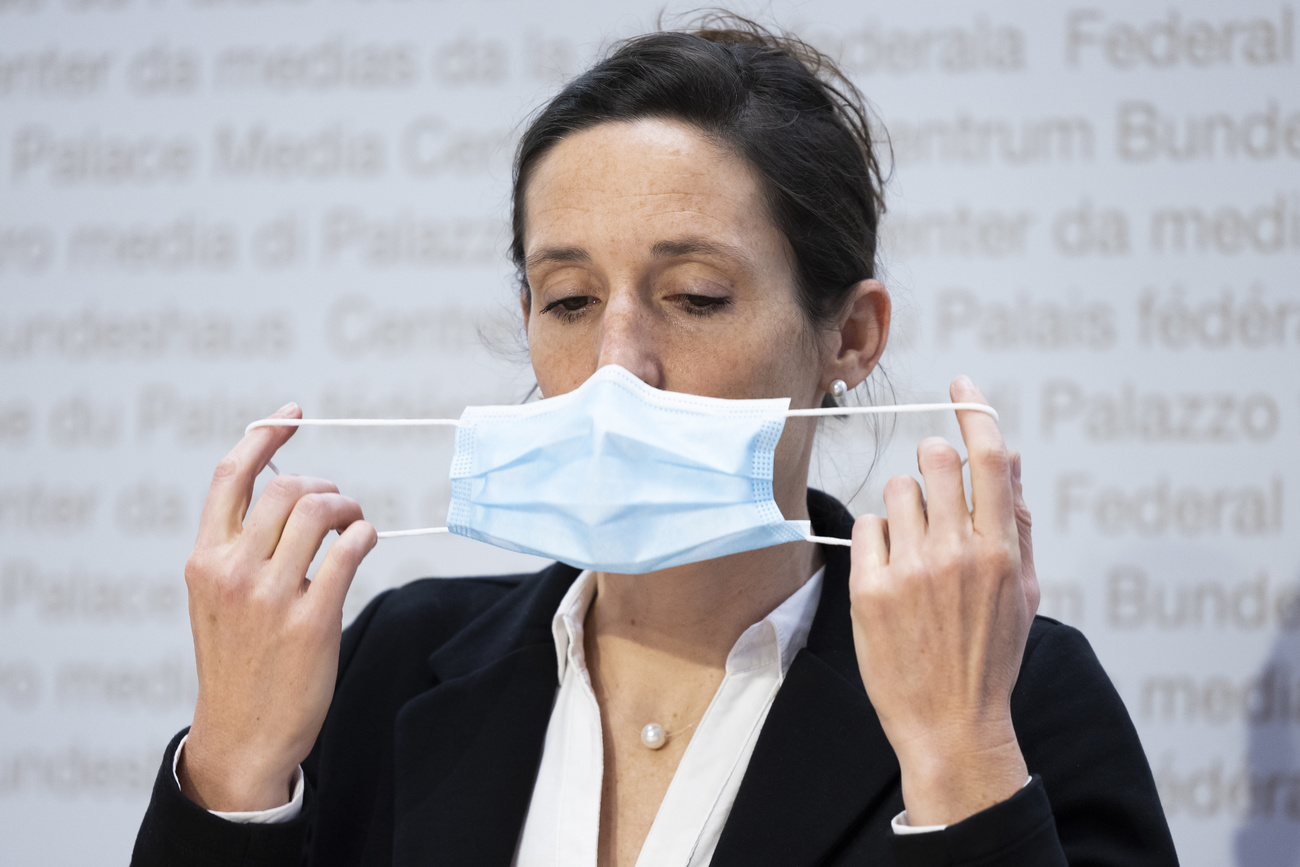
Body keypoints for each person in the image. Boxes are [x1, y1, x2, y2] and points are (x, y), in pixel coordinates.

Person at [132, 15, 1178, 867]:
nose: (617, 363)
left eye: (695, 296)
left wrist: (959, 754)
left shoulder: (1014, 689)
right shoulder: (394, 665)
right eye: (570, 299)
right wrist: (230, 769)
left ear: (849, 337)